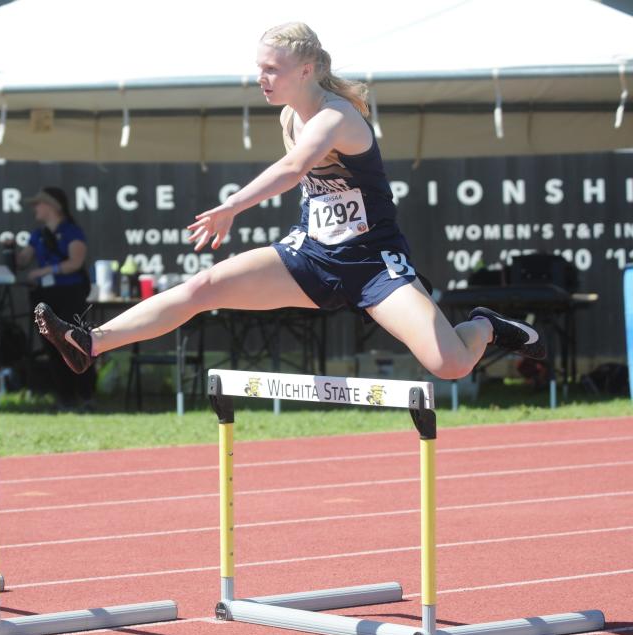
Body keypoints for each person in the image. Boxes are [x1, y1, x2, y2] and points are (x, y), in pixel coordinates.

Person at [35, 22, 545, 380]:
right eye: (259, 67)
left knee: (450, 365)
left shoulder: (337, 116)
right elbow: (308, 184)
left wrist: (232, 205)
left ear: (306, 70)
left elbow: (294, 169)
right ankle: (91, 342)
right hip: (311, 255)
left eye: (271, 69)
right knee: (204, 285)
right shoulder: (289, 116)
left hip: (372, 264)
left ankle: (483, 324)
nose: (261, 78)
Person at [13, 186, 96, 410]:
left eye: (38, 203)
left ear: (52, 206)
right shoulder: (37, 235)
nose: (34, 208)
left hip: (69, 294)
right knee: (52, 345)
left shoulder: (71, 232)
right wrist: (10, 251)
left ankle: (86, 395)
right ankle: (65, 397)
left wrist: (44, 272)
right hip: (45, 295)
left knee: (76, 342)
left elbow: (75, 263)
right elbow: (23, 260)